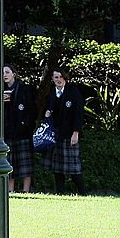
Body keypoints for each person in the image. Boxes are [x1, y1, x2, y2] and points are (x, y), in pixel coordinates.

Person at [43, 67, 87, 195]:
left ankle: (83, 193)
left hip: (70, 134)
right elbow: (49, 108)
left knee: (74, 167)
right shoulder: (52, 92)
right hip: (55, 134)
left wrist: (76, 132)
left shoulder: (73, 92)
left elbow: (79, 114)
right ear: (52, 79)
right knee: (57, 168)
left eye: (60, 77)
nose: (58, 79)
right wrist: (47, 113)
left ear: (65, 77)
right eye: (55, 77)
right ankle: (60, 193)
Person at [3, 65, 36, 193]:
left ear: (14, 74)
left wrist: (25, 123)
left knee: (25, 163)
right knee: (9, 161)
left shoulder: (24, 89)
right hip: (7, 130)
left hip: (23, 131)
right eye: (2, 73)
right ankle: (10, 190)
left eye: (7, 72)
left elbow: (32, 109)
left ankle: (26, 190)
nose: (4, 75)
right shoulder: (1, 89)